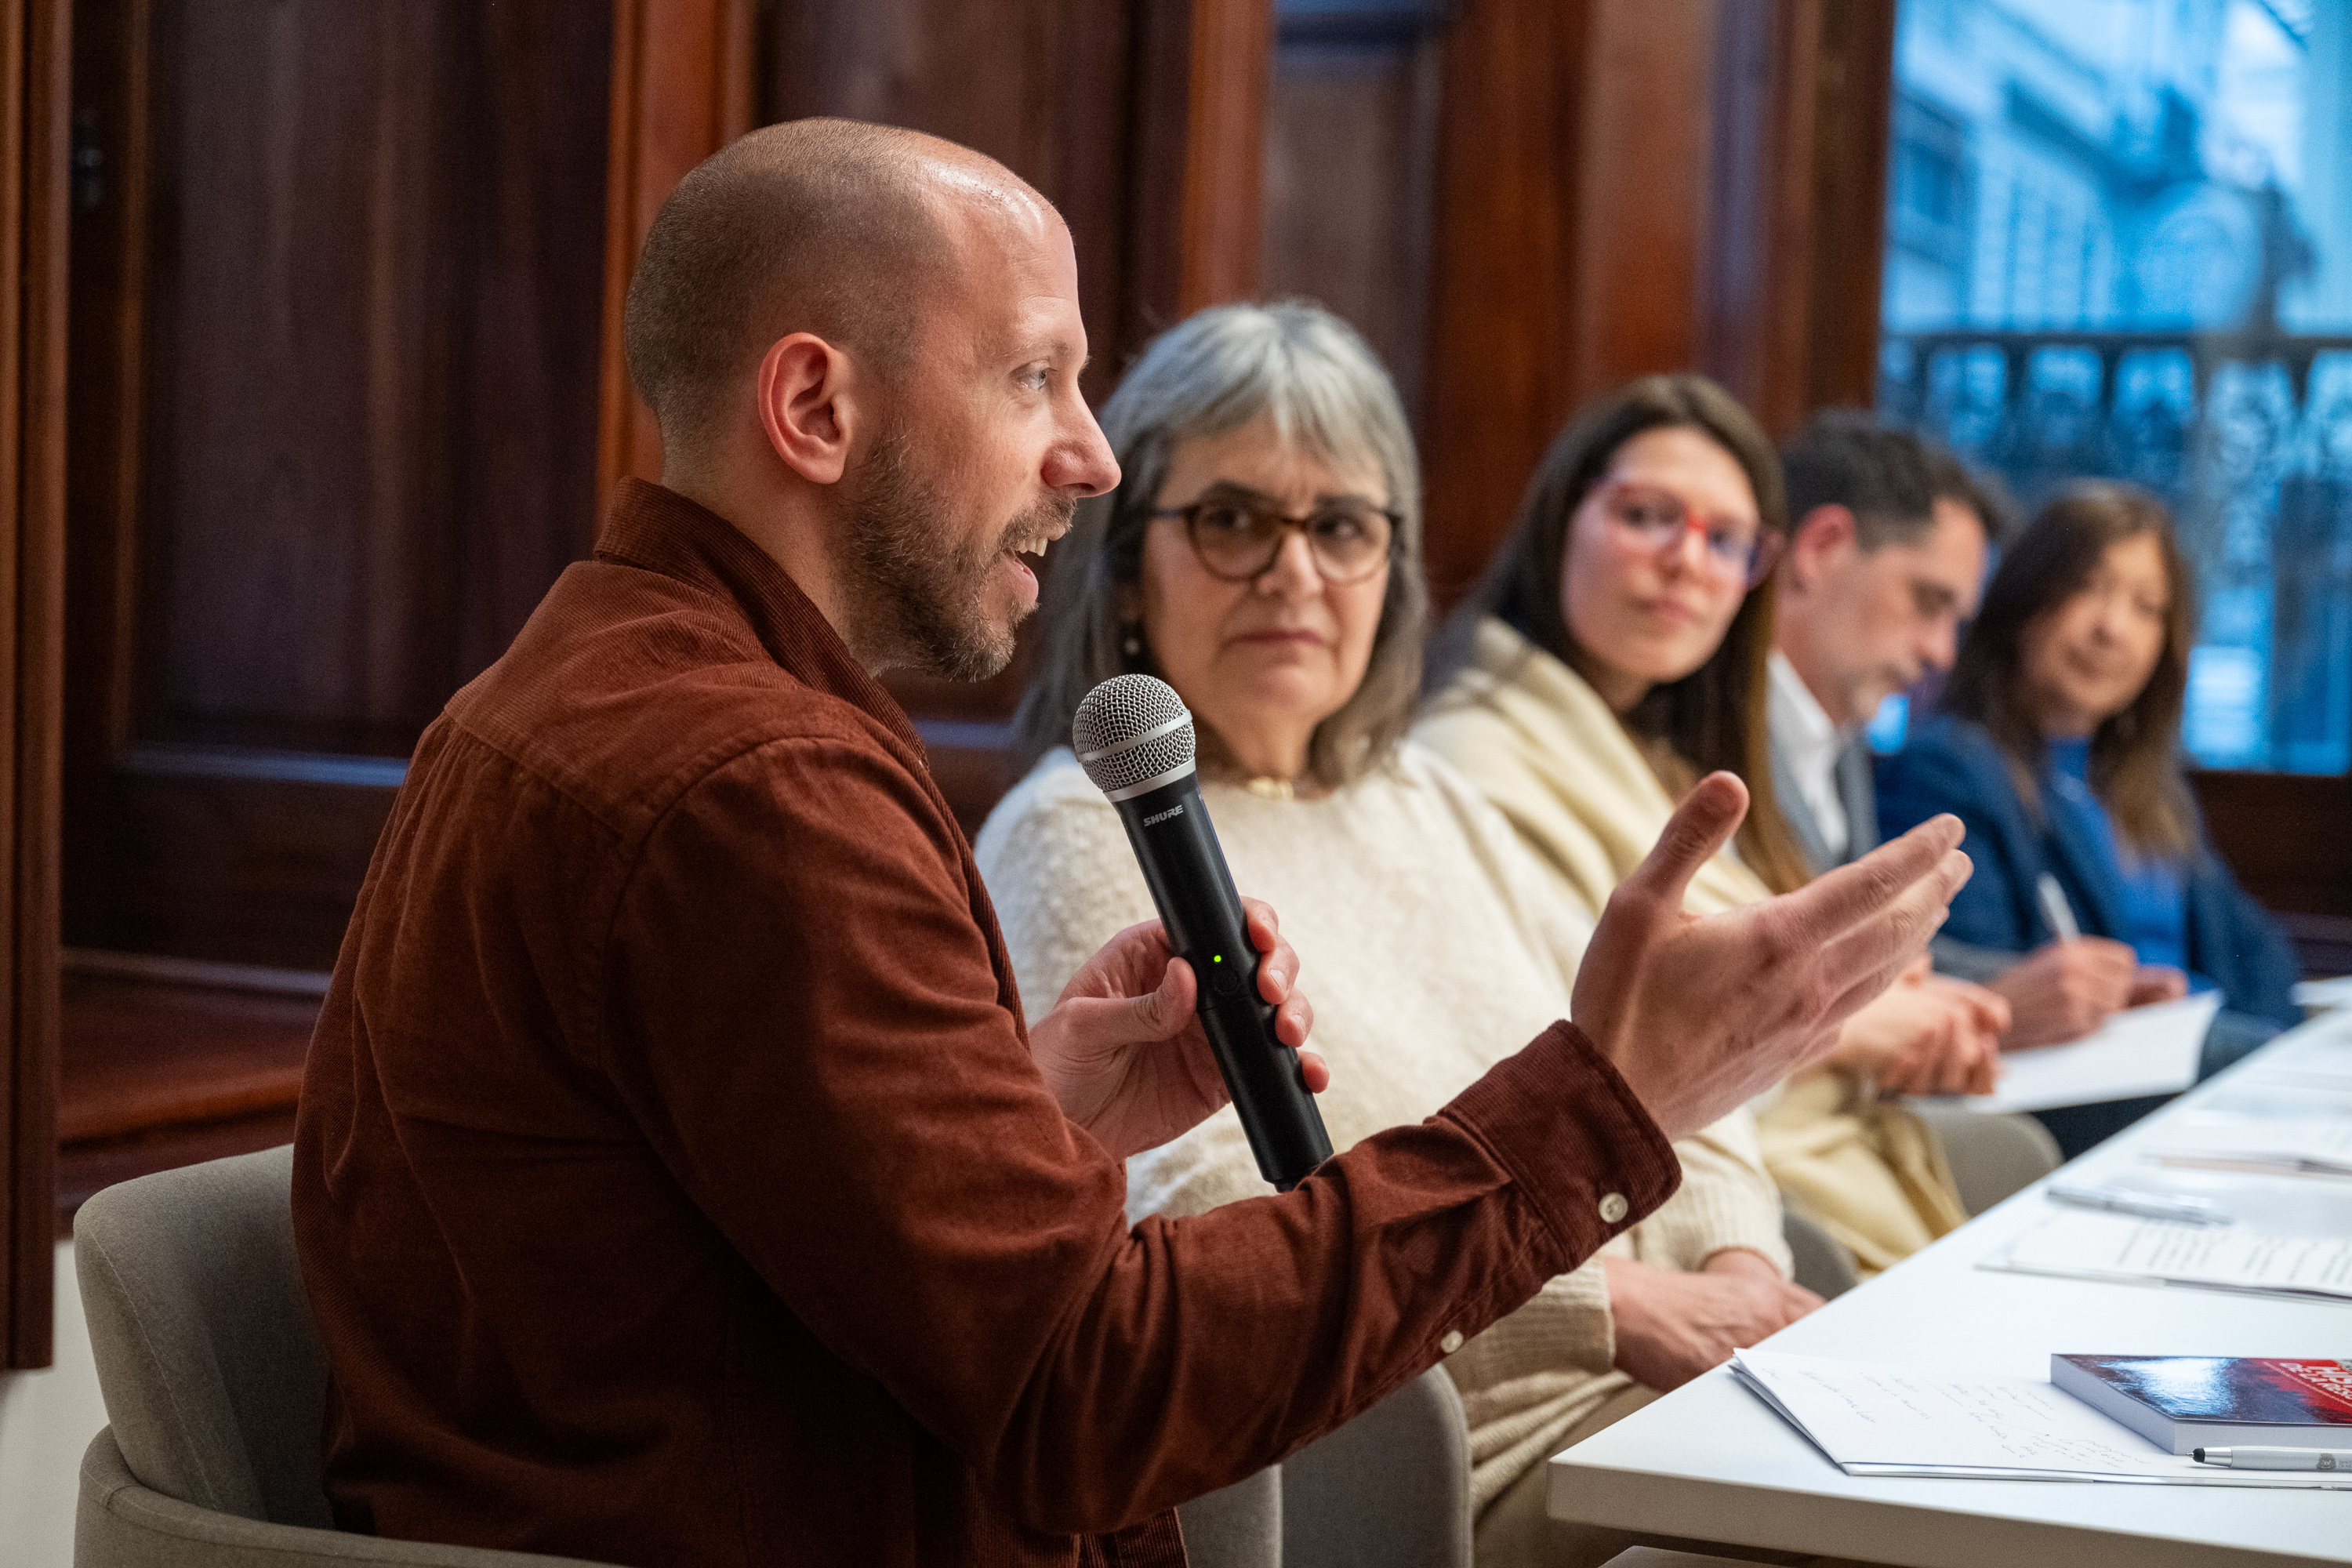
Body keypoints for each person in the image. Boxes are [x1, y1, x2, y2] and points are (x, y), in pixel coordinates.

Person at [291, 120, 1972, 1568]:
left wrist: (1030, 1108)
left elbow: (743, 1243)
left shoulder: (605, 680)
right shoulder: (751, 783)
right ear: (814, 404)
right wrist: (1607, 1104)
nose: (1087, 455)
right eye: (1035, 377)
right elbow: (1085, 1398)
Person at [975, 303, 1819, 1568]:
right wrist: (1616, 1309)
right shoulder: (1080, 830)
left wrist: (1741, 1273)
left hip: (1677, 1412)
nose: (1297, 574)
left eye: (1342, 527)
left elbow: (1661, 1072)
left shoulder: (1426, 795)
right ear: (1129, 559)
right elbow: (1210, 1240)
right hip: (1455, 1477)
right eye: (1233, 520)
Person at [1419, 375, 2004, 1278]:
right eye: (1649, 514)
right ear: (1562, 518)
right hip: (1663, 1233)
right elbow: (1544, 1063)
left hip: (1799, 1184)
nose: (1689, 560)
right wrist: (1845, 1021)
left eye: (1727, 539)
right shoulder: (1469, 755)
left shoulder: (1657, 745)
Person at [1875, 481, 2300, 1155]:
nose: (2112, 627)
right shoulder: (1949, 765)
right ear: (2023, 603)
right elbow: (1966, 977)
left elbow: (2261, 956)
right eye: (2088, 588)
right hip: (2062, 1087)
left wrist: (2276, 1044)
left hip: (2200, 1062)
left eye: (2147, 607)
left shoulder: (2149, 795)